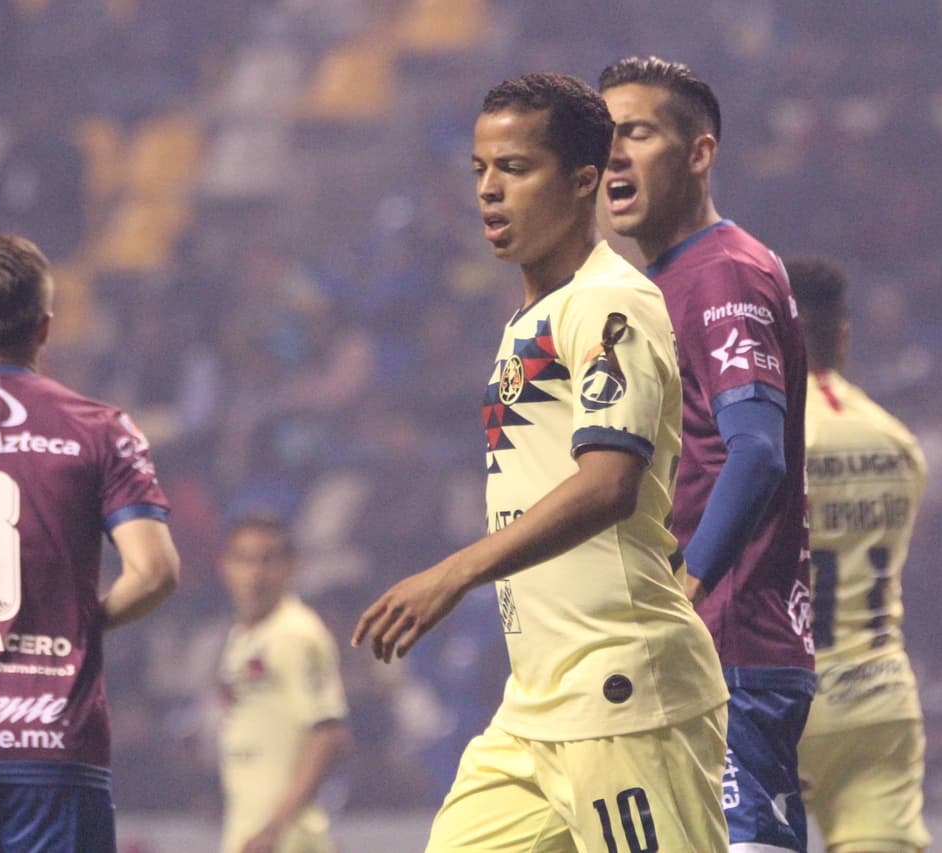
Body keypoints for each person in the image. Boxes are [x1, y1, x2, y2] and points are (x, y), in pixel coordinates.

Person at [352, 72, 730, 852]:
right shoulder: (535, 316)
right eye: (481, 171)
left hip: (625, 692)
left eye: (516, 169)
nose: (490, 191)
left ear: (584, 181)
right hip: (535, 705)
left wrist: (454, 571)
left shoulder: (608, 302)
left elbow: (608, 484)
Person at [599, 56, 814, 852]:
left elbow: (755, 453)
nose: (614, 153)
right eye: (606, 134)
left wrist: (683, 592)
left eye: (639, 133)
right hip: (722, 647)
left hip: (723, 643)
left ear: (699, 153)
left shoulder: (721, 273)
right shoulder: (670, 277)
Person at [0, 234, 180, 852]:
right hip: (50, 739)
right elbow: (155, 573)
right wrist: (81, 621)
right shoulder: (98, 428)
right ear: (45, 328)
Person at [788, 256, 932, 853]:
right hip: (881, 698)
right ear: (842, 335)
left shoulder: (763, 436)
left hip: (783, 703)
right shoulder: (899, 442)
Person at [217, 512, 350, 853]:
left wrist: (276, 826)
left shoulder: (297, 632)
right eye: (244, 560)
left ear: (293, 566)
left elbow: (328, 732)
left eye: (269, 560)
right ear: (225, 568)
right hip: (248, 829)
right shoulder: (242, 637)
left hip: (286, 838)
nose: (256, 574)